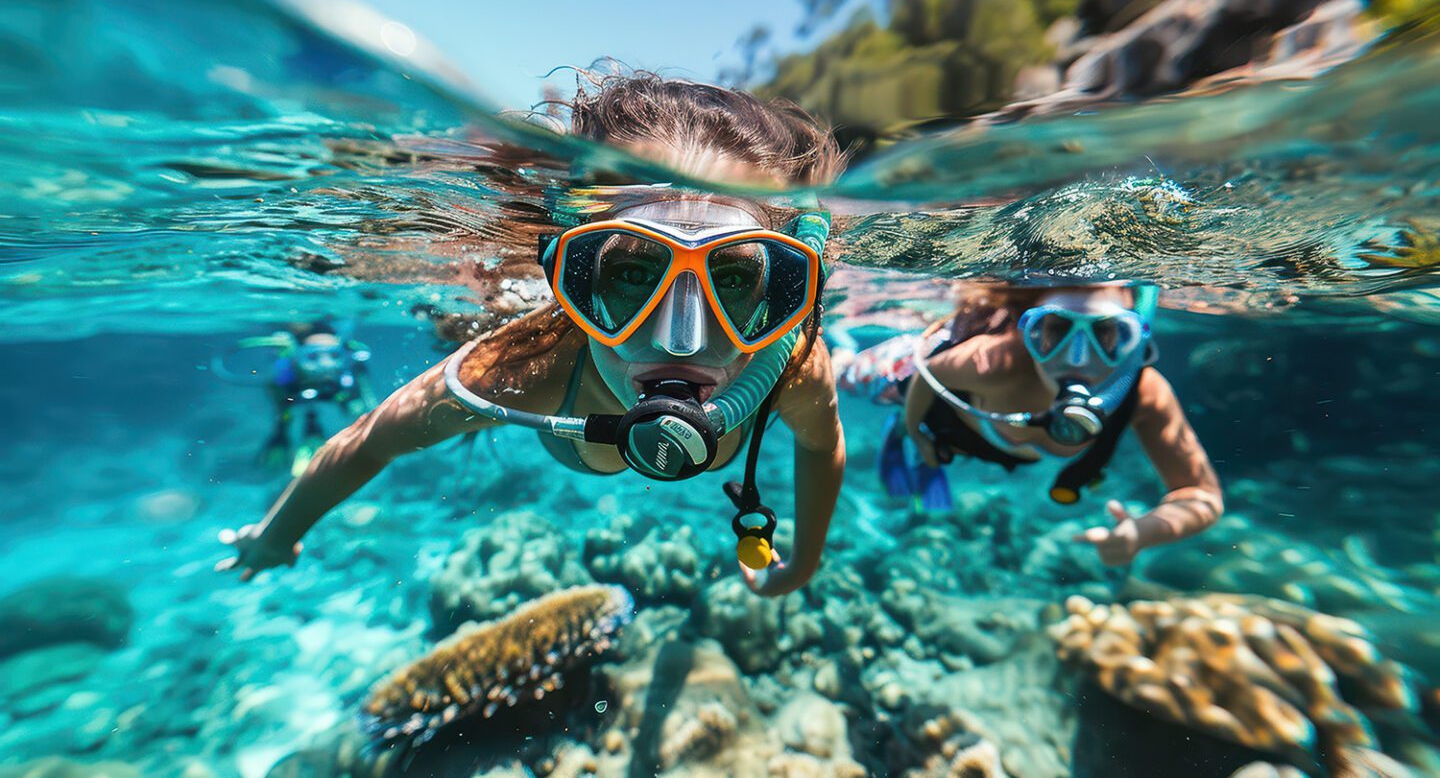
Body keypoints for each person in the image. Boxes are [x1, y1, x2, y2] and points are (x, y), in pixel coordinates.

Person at [217, 74, 848, 596]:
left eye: (735, 278)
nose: (680, 341)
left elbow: (823, 448)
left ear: (785, 288)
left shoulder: (788, 360)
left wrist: (803, 564)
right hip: (547, 366)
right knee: (475, 315)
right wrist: (276, 534)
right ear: (574, 280)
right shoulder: (525, 372)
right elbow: (368, 442)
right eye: (632, 271)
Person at [839, 283, 1222, 566]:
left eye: (1106, 334)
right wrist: (915, 428)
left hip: (978, 429)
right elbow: (927, 377)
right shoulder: (995, 360)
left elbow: (1201, 496)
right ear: (1028, 334)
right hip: (930, 393)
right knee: (848, 377)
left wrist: (1141, 533)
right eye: (1054, 331)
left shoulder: (1144, 393)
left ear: (1134, 341)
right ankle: (840, 349)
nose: (1077, 357)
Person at [212, 321, 376, 476]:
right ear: (298, 357)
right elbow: (282, 408)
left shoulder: (348, 376)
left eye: (333, 355)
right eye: (313, 357)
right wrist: (280, 434)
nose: (326, 365)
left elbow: (365, 406)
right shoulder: (286, 375)